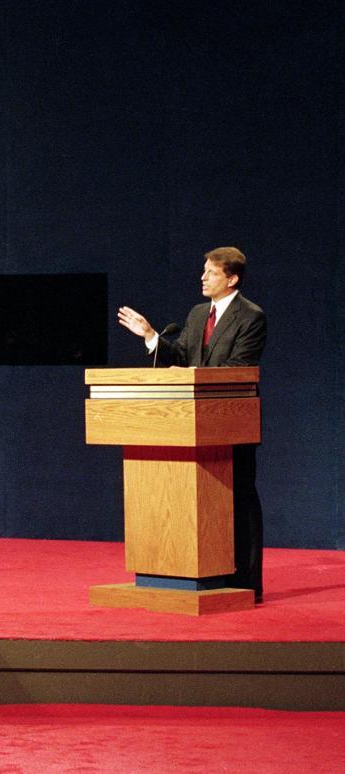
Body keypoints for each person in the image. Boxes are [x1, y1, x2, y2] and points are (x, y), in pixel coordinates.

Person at [117, 246, 266, 600]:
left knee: (239, 500)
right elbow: (181, 356)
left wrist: (190, 373)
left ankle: (246, 583)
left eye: (211, 273)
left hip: (229, 424)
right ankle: (201, 575)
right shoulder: (199, 314)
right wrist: (152, 336)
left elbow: (237, 370)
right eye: (203, 271)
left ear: (231, 278)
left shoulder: (251, 316)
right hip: (190, 424)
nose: (202, 277)